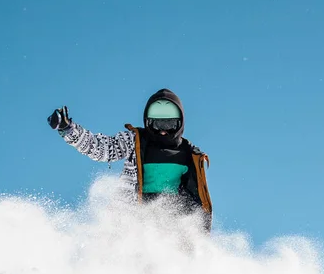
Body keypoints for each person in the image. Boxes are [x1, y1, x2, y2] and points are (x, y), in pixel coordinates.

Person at [47, 88, 213, 232]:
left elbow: (197, 200)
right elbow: (102, 149)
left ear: (179, 124)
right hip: (134, 219)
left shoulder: (189, 153)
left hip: (170, 221)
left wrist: (198, 233)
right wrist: (68, 129)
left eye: (168, 125)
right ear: (147, 123)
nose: (163, 131)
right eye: (156, 125)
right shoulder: (135, 141)